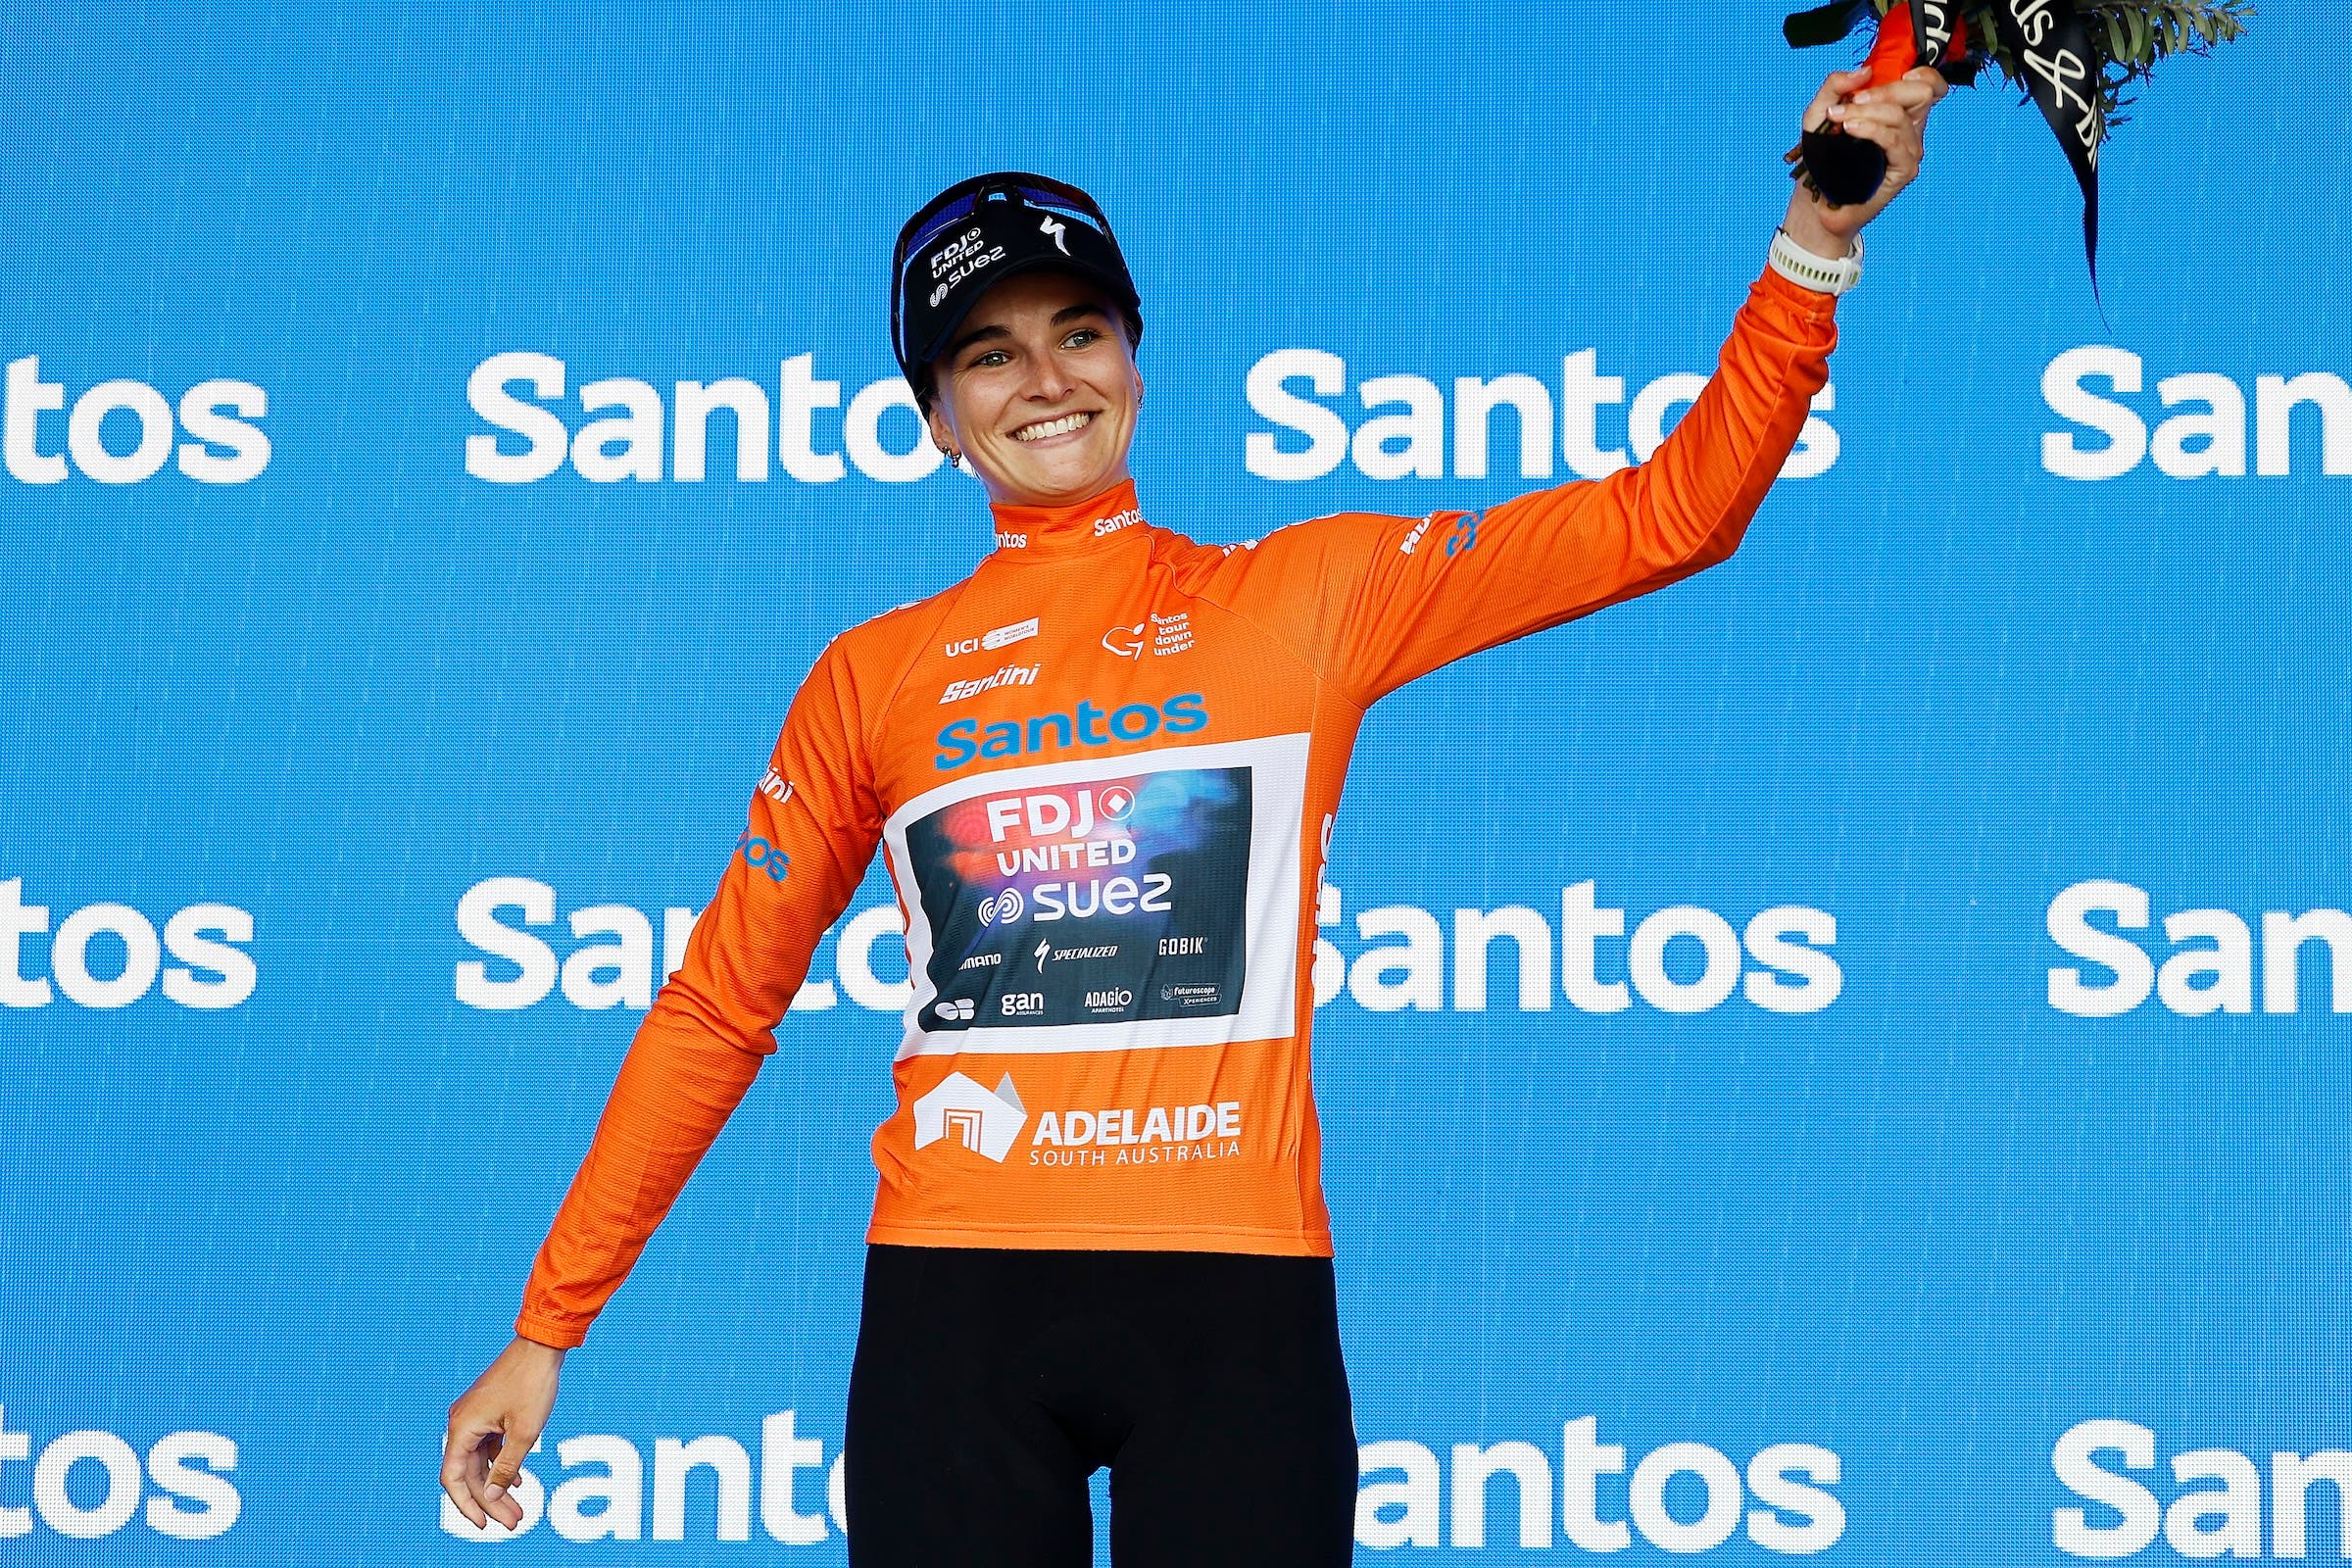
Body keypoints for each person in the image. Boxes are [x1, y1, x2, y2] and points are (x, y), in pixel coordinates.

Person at [444, 64, 1947, 1566]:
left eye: (1079, 332)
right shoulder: (871, 677)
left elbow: (1674, 512)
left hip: (1236, 1299)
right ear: (935, 419)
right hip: (954, 1309)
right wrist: (548, 1325)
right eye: (988, 354)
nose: (1046, 380)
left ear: (1137, 361)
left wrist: (1814, 241)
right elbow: (722, 1003)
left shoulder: (1303, 597)